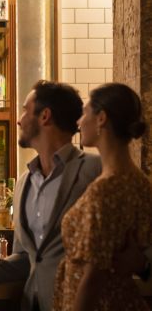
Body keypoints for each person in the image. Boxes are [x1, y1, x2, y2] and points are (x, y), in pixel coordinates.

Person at [0, 80, 148, 311]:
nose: (19, 119)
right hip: (36, 302)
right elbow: (28, 257)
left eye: (25, 110)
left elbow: (136, 239)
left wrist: (143, 263)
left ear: (45, 116)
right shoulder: (24, 181)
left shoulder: (98, 172)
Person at [53, 83, 151, 311]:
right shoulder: (138, 181)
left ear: (101, 119)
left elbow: (93, 274)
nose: (78, 123)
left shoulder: (106, 189)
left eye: (85, 113)